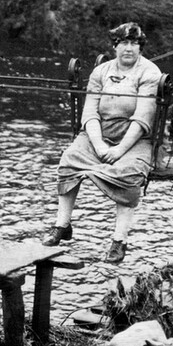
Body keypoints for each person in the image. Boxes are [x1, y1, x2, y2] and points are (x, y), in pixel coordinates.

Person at [41, 22, 162, 264]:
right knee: (69, 161)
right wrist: (98, 145)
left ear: (140, 47)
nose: (128, 48)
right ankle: (62, 225)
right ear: (115, 46)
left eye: (134, 44)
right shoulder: (101, 72)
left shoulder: (150, 73)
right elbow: (90, 113)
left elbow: (143, 117)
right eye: (123, 43)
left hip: (135, 137)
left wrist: (119, 150)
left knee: (128, 175)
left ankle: (119, 240)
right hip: (98, 134)